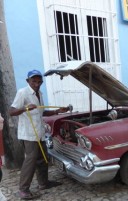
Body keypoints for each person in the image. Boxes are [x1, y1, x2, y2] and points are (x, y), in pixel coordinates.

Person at [9, 70, 69, 200]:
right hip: (29, 134)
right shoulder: (22, 93)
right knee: (30, 161)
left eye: (39, 81)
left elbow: (42, 112)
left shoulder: (39, 94)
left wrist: (58, 111)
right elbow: (11, 112)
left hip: (40, 132)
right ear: (28, 81)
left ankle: (44, 183)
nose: (37, 84)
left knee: (43, 159)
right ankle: (23, 190)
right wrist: (25, 109)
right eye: (34, 81)